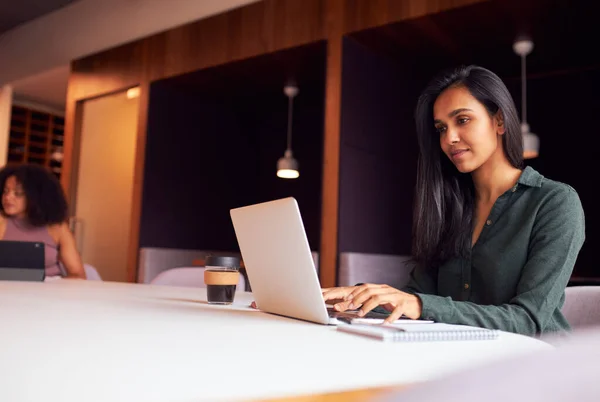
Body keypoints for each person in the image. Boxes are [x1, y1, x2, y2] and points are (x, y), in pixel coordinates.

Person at [323, 65, 585, 336]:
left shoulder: (556, 203)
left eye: (462, 120)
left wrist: (419, 304)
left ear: (500, 121)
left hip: (533, 364)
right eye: (440, 128)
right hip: (457, 357)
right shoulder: (449, 208)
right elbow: (417, 298)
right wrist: (356, 298)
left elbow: (528, 320)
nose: (449, 138)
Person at [0, 163, 86, 279]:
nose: (8, 197)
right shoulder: (2, 222)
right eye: (5, 191)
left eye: (17, 193)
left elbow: (77, 274)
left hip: (49, 291)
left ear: (36, 196)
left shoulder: (57, 228)